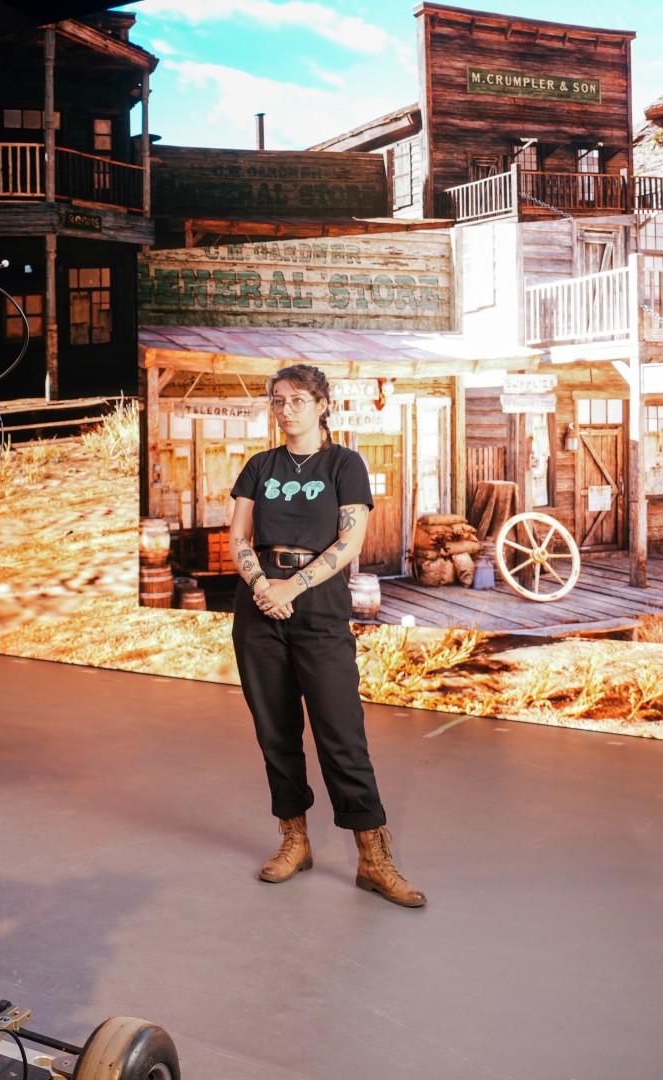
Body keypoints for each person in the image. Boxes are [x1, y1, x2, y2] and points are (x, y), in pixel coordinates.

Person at [226, 363, 426, 908]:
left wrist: (292, 587)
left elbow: (349, 540)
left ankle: (373, 857)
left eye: (297, 399)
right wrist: (263, 586)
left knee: (341, 731)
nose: (285, 409)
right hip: (259, 604)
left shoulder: (345, 463)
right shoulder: (259, 466)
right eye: (277, 400)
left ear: (321, 405)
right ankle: (295, 840)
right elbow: (239, 535)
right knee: (275, 730)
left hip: (316, 603)